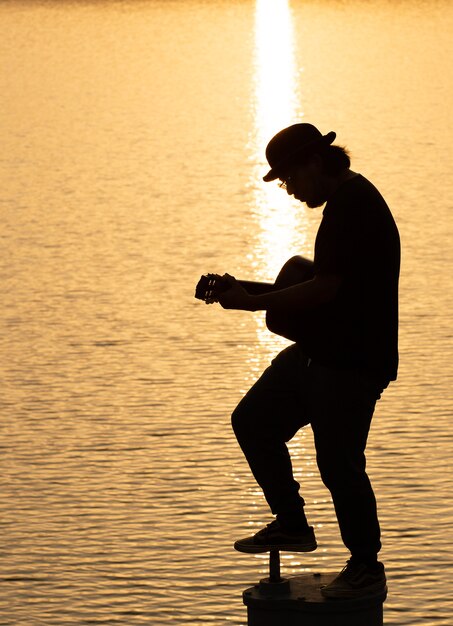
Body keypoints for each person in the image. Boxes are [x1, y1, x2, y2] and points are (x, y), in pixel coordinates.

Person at [207, 123, 400, 599]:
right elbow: (320, 289)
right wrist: (244, 288)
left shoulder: (355, 207)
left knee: (338, 464)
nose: (289, 191)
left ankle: (365, 566)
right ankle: (292, 523)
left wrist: (252, 304)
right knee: (252, 421)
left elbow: (326, 289)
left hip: (353, 362)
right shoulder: (341, 206)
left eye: (290, 178)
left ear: (314, 163)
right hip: (319, 352)